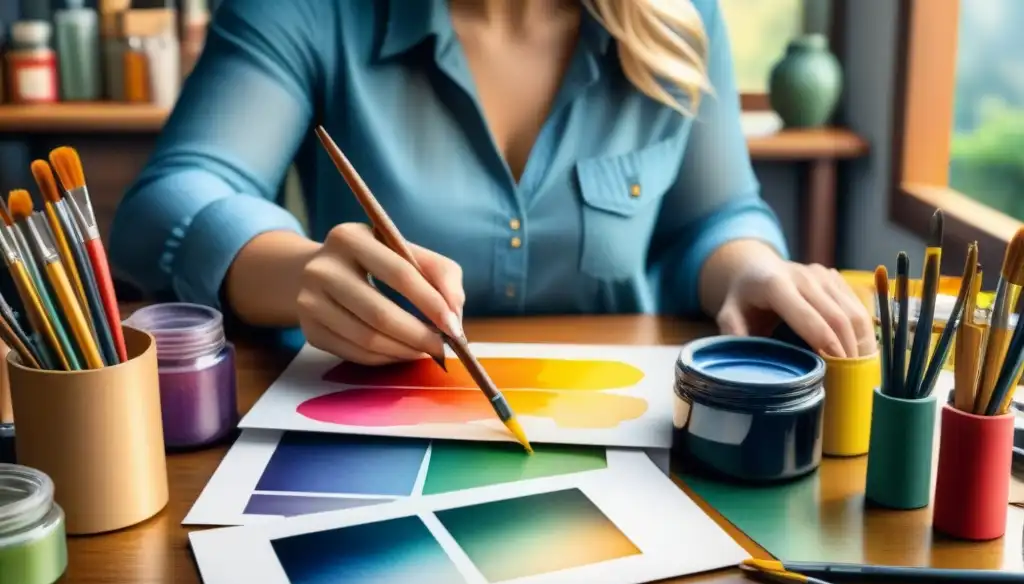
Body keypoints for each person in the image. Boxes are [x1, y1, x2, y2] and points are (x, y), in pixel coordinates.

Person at [109, 0, 876, 365]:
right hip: (371, 438)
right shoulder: (306, 12)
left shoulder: (679, 21)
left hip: (638, 460)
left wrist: (750, 270)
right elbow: (168, 203)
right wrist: (297, 271)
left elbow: (714, 219)